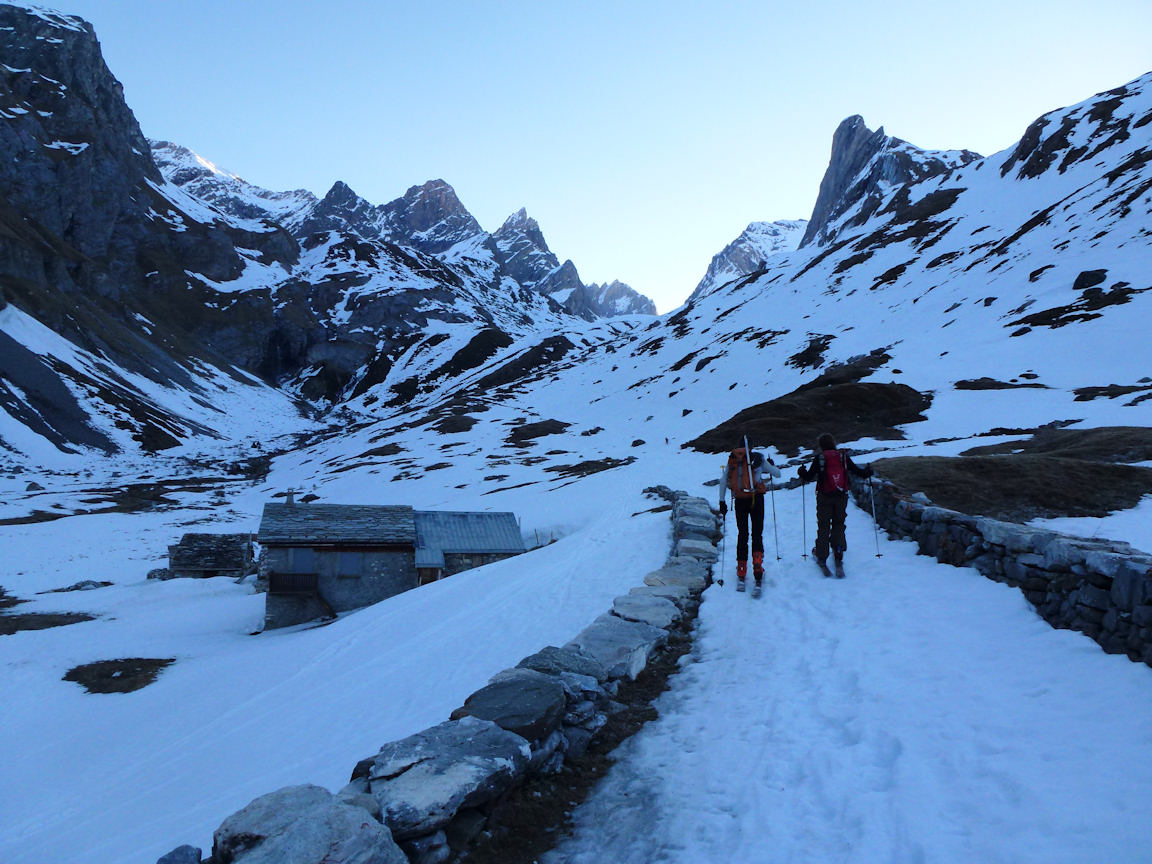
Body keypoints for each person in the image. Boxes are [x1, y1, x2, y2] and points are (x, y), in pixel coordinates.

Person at [797, 433, 873, 571]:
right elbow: (858, 472)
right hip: (841, 496)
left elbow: (808, 477)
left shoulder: (819, 458)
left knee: (824, 526)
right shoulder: (843, 457)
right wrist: (868, 471)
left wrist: (801, 472)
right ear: (833, 443)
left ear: (821, 445)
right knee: (839, 524)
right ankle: (838, 552)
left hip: (824, 496)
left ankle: (821, 556)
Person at [719, 444, 781, 591]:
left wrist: (722, 501)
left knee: (743, 534)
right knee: (757, 533)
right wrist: (771, 465)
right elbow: (777, 474)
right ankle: (758, 567)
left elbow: (723, 481)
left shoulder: (733, 460)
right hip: (757, 499)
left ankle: (741, 569)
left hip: (740, 500)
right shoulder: (758, 459)